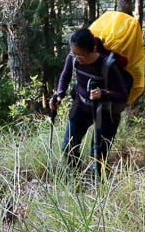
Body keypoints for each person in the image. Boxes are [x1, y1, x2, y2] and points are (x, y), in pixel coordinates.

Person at [49, 28, 133, 181]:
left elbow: (122, 95)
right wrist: (59, 95)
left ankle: (98, 187)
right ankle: (76, 182)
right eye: (74, 53)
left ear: (93, 49)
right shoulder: (73, 57)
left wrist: (104, 93)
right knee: (68, 147)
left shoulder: (108, 65)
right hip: (81, 106)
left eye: (81, 55)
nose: (77, 58)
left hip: (106, 112)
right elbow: (65, 75)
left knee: (98, 155)